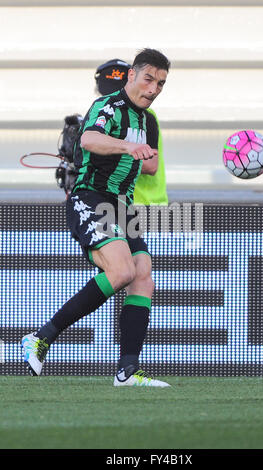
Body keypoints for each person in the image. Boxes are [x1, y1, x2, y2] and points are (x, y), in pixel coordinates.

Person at [21, 48, 171, 387]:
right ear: (132, 75)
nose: (153, 89)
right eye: (149, 79)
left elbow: (151, 165)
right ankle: (41, 337)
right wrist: (126, 147)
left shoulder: (148, 120)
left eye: (161, 83)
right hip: (91, 197)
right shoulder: (109, 106)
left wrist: (140, 153)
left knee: (143, 276)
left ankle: (127, 371)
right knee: (121, 271)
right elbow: (88, 139)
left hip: (123, 205)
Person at [94, 59, 168, 205]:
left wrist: (97, 159)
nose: (114, 99)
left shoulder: (146, 116)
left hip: (146, 205)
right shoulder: (101, 116)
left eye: (118, 93)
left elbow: (151, 165)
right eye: (108, 94)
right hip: (115, 205)